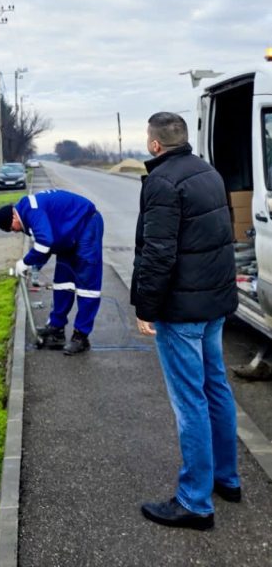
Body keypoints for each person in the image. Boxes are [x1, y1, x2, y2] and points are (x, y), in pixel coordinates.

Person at [131, 112, 240, 530]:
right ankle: (226, 480)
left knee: (190, 400)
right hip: (213, 306)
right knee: (216, 389)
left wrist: (146, 307)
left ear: (155, 144)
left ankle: (195, 501)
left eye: (147, 137)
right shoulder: (208, 172)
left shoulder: (161, 182)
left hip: (181, 311)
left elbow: (159, 252)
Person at [0, 189, 103, 355]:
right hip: (68, 234)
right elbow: (45, 247)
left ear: (14, 217)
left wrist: (25, 262)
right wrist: (34, 267)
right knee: (62, 283)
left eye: (12, 228)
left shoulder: (31, 210)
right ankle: (57, 328)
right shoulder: (26, 213)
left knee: (87, 287)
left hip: (86, 224)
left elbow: (44, 243)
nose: (15, 231)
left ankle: (81, 336)